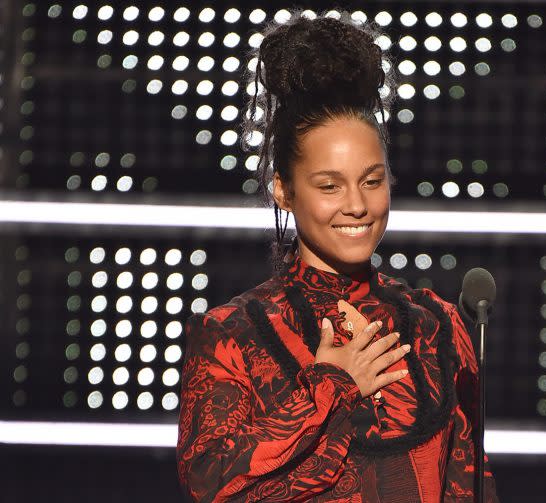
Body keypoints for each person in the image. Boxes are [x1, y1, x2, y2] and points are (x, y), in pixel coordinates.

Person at [177, 10, 500, 503]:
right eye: (330, 185)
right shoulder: (233, 334)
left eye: (372, 180)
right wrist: (330, 385)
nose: (356, 204)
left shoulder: (439, 325)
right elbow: (210, 482)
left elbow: (472, 485)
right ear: (283, 190)